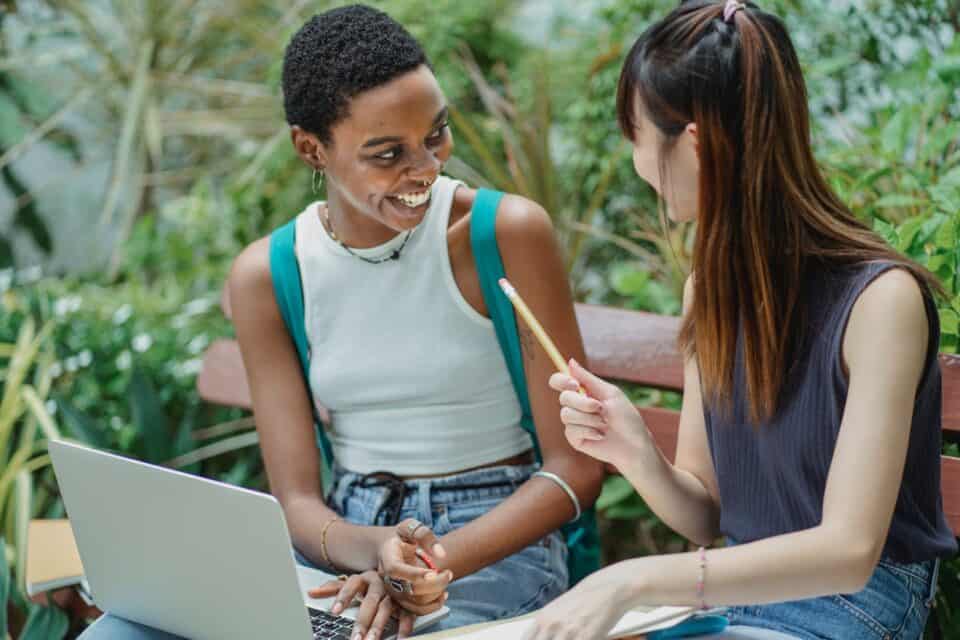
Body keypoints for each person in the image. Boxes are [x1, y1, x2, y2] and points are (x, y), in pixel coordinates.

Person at [79, 5, 604, 640]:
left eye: (436, 134)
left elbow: (575, 468)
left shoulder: (502, 234)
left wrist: (425, 564)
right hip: (346, 544)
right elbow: (298, 501)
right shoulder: (271, 276)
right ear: (311, 147)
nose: (427, 168)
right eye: (388, 154)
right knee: (122, 633)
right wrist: (374, 549)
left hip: (490, 545)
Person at [524, 1, 958, 639]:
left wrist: (630, 578)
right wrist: (636, 451)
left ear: (696, 144)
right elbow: (707, 515)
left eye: (637, 132)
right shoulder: (710, 291)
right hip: (729, 607)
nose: (636, 158)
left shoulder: (880, 301)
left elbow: (847, 552)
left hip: (848, 611)